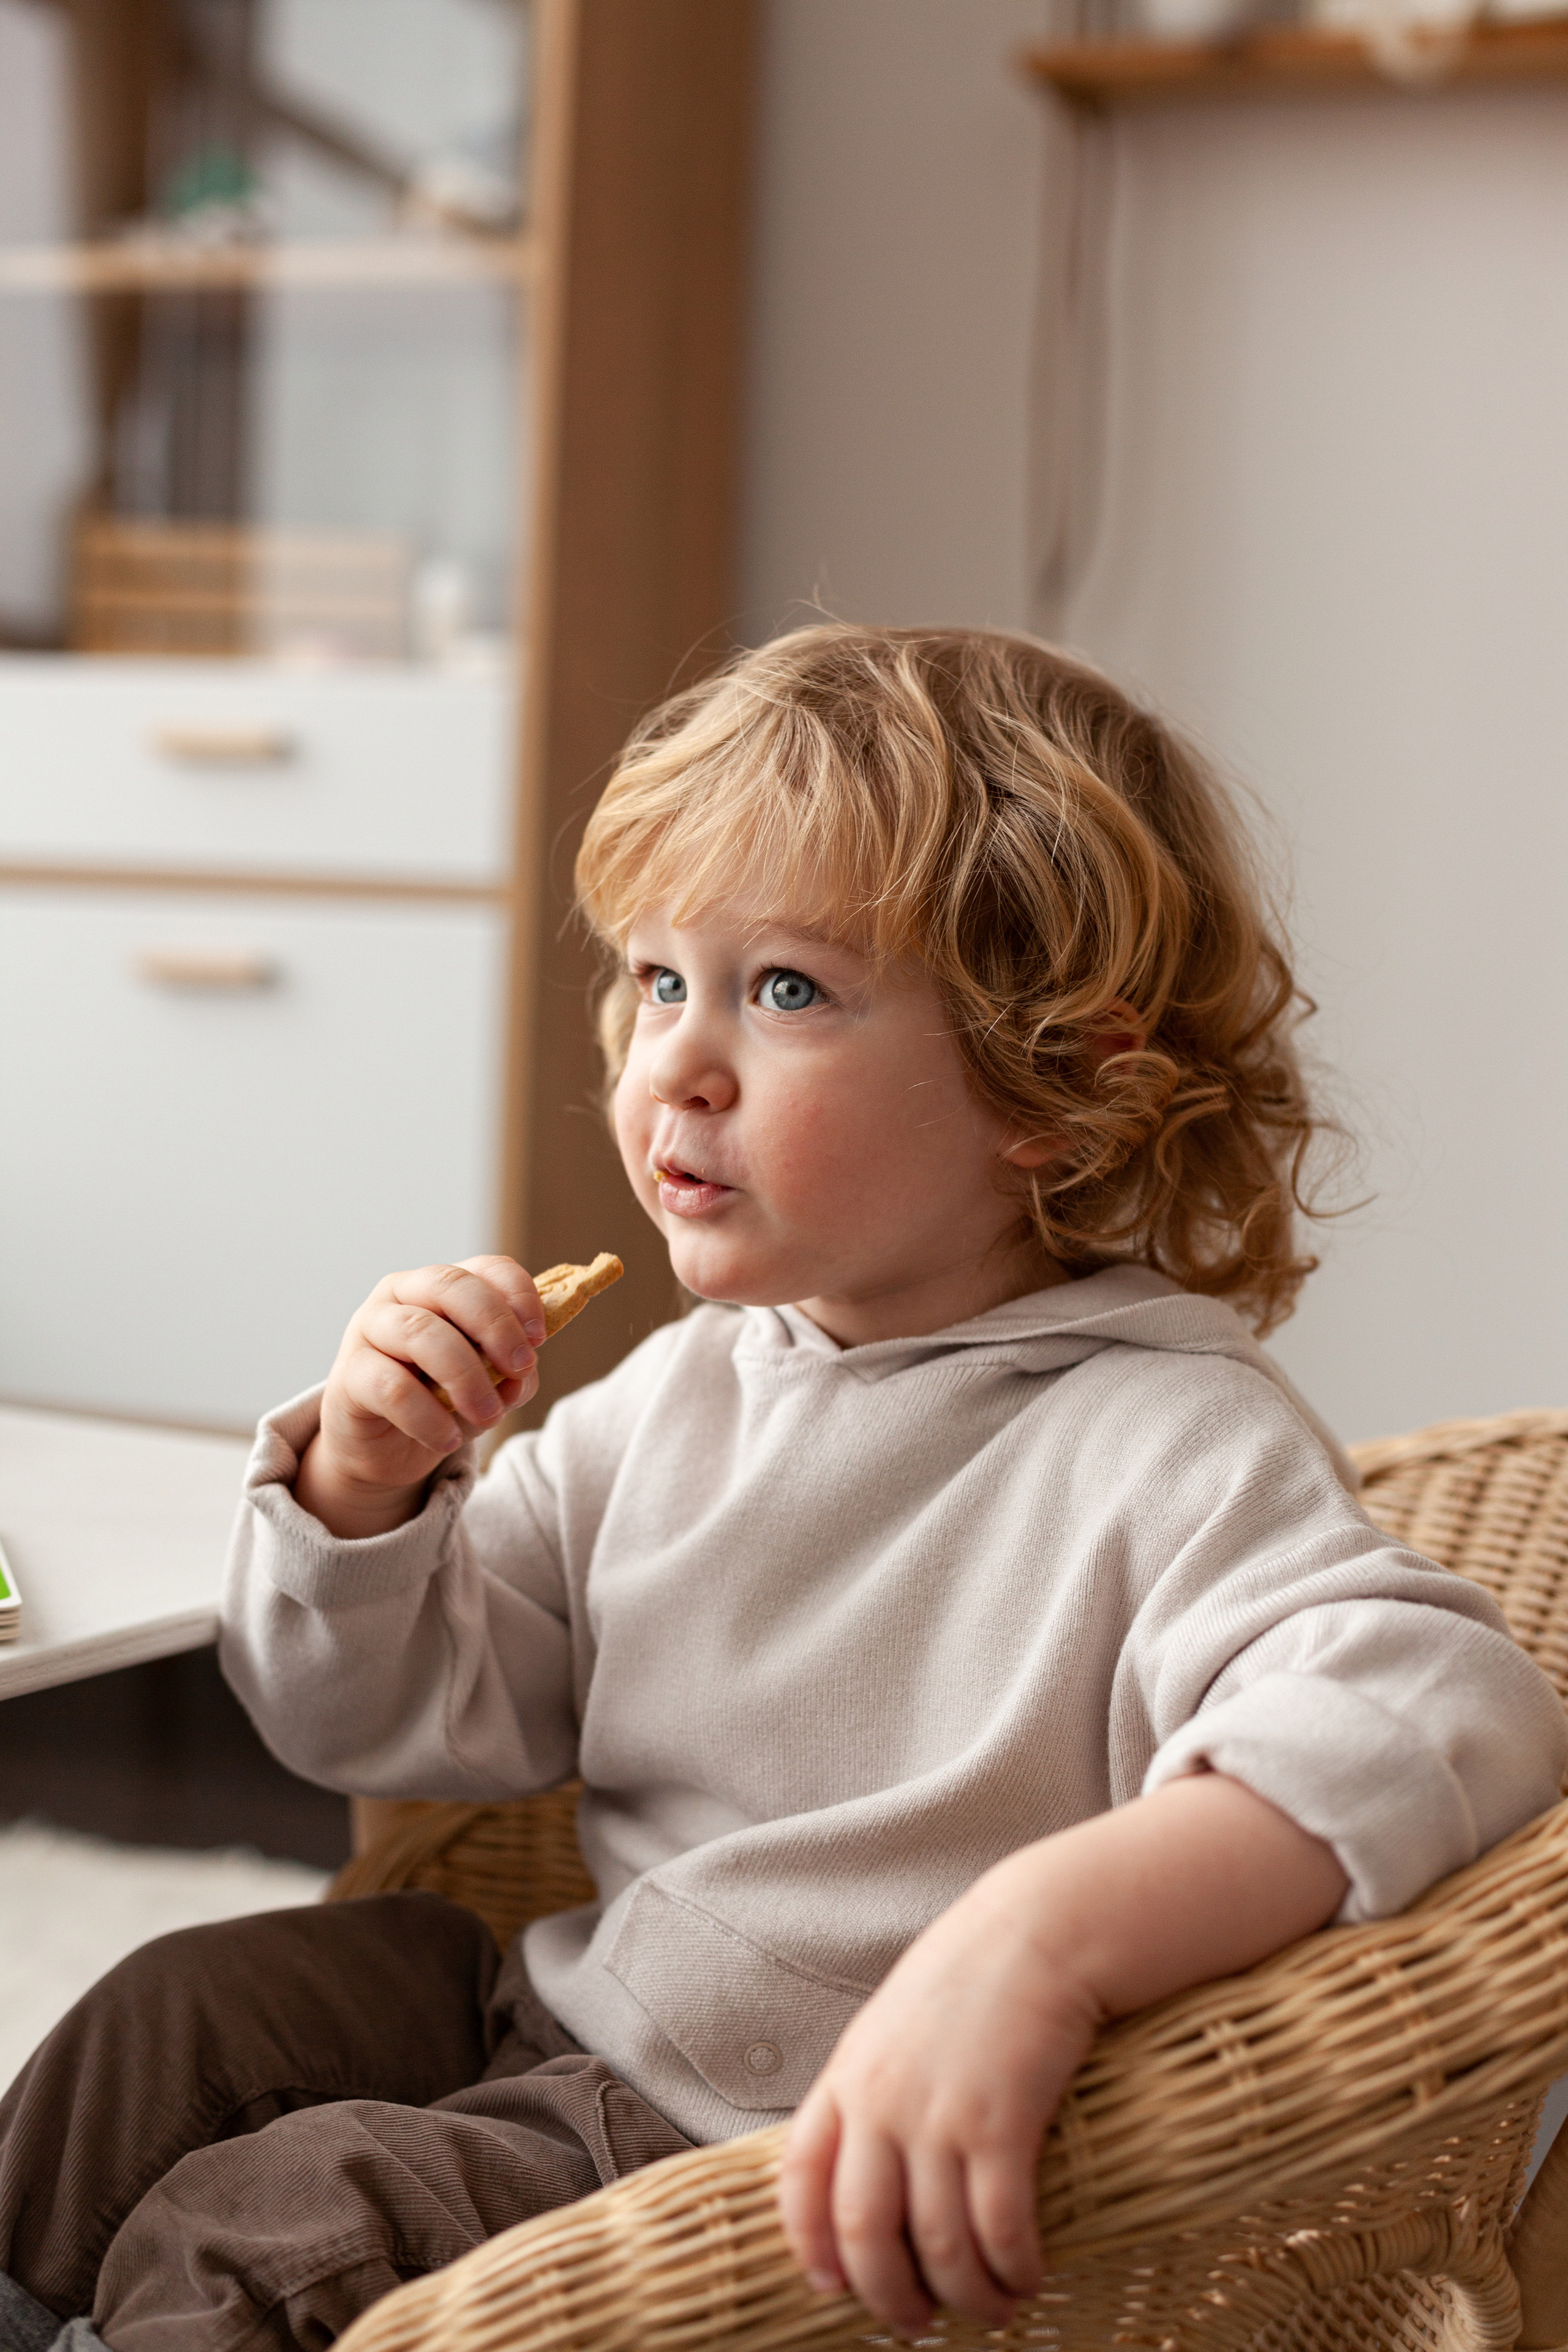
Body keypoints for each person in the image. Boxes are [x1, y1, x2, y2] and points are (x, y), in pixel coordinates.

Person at [1, 627, 1561, 2352]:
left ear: (1054, 1090)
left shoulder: (1162, 1444)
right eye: (663, 980)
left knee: (267, 2232)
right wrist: (365, 1493)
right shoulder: (679, 1391)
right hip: (566, 2009)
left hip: (746, 2145)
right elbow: (381, 1723)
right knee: (173, 2017)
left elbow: (1441, 1701)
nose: (674, 1061)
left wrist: (1035, 1949)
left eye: (789, 990)